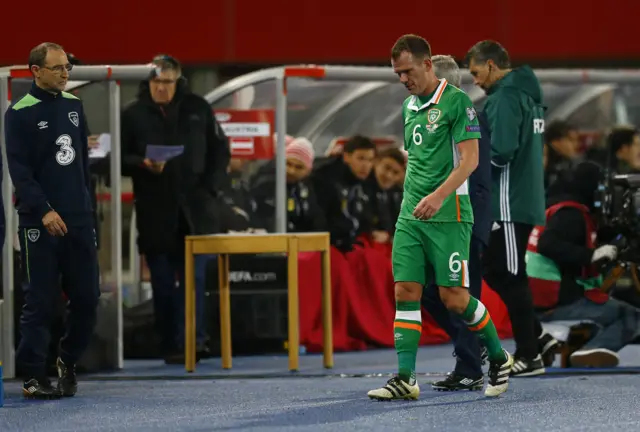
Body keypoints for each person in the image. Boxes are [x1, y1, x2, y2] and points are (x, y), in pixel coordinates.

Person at [367, 35, 513, 401]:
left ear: (427, 64)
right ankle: (405, 377)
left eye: (407, 71)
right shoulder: (407, 107)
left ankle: (498, 357)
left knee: (454, 298)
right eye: (397, 73)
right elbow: (417, 162)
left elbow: (471, 161)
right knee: (406, 292)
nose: (403, 79)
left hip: (450, 215)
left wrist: (438, 196)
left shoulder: (457, 102)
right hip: (411, 216)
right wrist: (412, 201)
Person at [5, 42, 100, 399]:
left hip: (78, 218)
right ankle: (32, 376)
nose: (65, 74)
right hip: (39, 222)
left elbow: (81, 166)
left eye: (67, 68)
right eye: (58, 68)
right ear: (35, 71)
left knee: (88, 297)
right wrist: (44, 209)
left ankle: (67, 360)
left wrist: (86, 212)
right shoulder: (19, 112)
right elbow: (20, 170)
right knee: (41, 300)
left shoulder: (74, 106)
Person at [121, 55, 230, 364]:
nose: (162, 89)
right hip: (156, 209)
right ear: (148, 82)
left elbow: (220, 151)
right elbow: (118, 158)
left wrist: (211, 188)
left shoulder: (198, 108)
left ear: (178, 81)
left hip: (197, 210)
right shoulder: (132, 114)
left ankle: (196, 341)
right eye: (157, 82)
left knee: (197, 279)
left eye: (168, 82)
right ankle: (170, 343)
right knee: (163, 283)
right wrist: (141, 164)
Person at [466, 40, 558, 376]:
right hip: (523, 198)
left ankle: (529, 355)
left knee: (510, 274)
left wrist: (466, 166)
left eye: (476, 72)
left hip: (507, 201)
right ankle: (538, 338)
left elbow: (501, 150)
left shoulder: (505, 97)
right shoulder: (528, 96)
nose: (474, 80)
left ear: (491, 65)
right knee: (496, 268)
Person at [421, 55, 492, 391]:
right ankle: (474, 347)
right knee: (427, 289)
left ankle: (470, 365)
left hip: (463, 219)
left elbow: (477, 176)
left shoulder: (468, 119)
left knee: (459, 290)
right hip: (438, 221)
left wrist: (476, 226)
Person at [527, 161, 639, 367]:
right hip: (558, 301)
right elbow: (548, 244)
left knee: (615, 312)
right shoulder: (571, 214)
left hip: (540, 299)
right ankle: (590, 351)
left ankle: (589, 346)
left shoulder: (558, 207)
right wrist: (591, 255)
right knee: (632, 317)